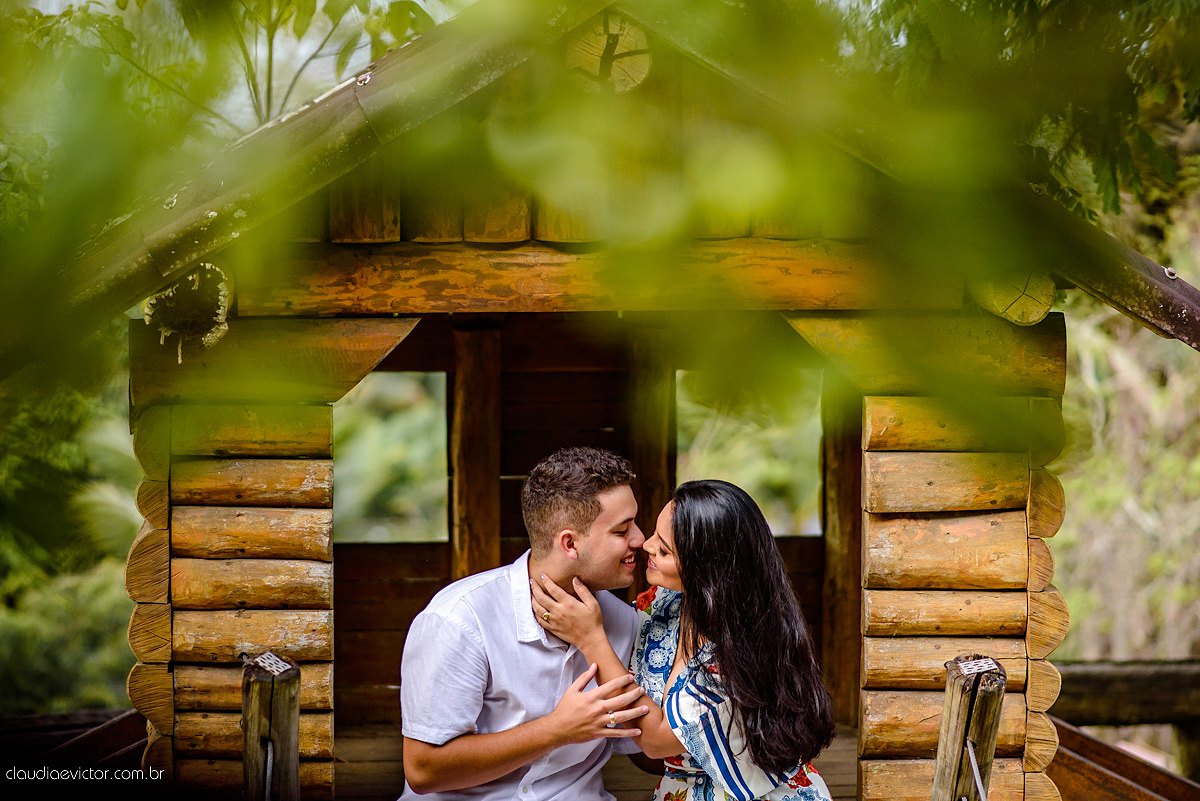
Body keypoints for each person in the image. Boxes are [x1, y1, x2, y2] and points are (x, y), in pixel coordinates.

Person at [531, 479, 836, 801]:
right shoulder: (661, 602)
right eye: (654, 535)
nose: (646, 545)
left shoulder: (742, 648)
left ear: (705, 570)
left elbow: (657, 742)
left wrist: (590, 638)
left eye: (663, 549)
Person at [399, 446, 652, 800]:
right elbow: (423, 771)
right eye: (622, 530)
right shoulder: (459, 619)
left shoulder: (624, 621)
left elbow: (648, 752)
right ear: (570, 543)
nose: (640, 539)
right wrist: (558, 730)